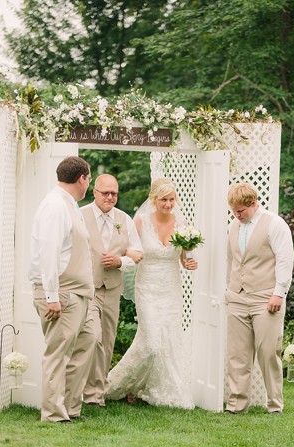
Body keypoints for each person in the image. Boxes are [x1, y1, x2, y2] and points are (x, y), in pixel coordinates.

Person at [105, 178, 197, 408]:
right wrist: (125, 257)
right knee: (152, 342)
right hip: (147, 288)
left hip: (171, 288)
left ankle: (155, 388)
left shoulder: (182, 223)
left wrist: (189, 262)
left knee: (168, 339)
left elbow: (185, 258)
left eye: (171, 199)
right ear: (154, 200)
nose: (168, 204)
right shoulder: (140, 221)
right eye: (164, 199)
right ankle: (120, 384)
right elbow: (127, 249)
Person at [28, 156, 97, 423]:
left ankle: (70, 406)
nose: (87, 184)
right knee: (58, 353)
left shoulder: (70, 205)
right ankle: (54, 414)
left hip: (79, 294)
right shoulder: (55, 206)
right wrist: (52, 297)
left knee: (87, 342)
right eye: (88, 179)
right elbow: (49, 253)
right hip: (61, 294)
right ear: (82, 178)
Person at [72, 174, 143, 408]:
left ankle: (96, 395)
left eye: (114, 193)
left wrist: (120, 261)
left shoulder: (124, 219)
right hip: (85, 287)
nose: (110, 197)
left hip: (112, 288)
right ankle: (78, 390)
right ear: (95, 192)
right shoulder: (79, 214)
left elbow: (137, 253)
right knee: (91, 338)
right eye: (106, 193)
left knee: (107, 341)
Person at [224, 182, 294, 414]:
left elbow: (285, 260)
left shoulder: (275, 224)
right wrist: (228, 290)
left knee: (267, 352)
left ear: (254, 203)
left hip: (266, 298)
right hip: (237, 297)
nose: (237, 214)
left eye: (241, 210)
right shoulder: (234, 226)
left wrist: (279, 293)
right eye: (234, 210)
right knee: (237, 354)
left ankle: (275, 405)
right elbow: (231, 261)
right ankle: (236, 405)